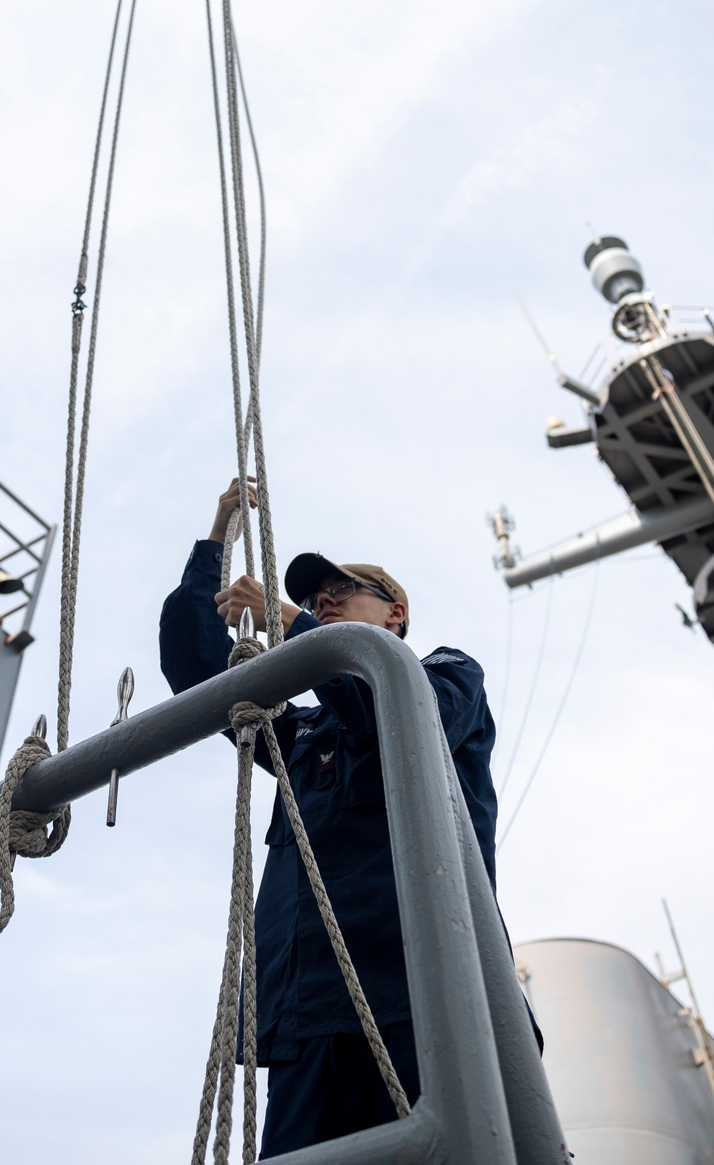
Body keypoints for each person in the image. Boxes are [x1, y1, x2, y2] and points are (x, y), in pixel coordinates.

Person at [159, 476, 501, 1159]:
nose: (325, 601)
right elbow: (197, 671)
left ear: (396, 614)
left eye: (343, 592)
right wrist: (218, 533)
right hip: (309, 1015)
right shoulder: (305, 734)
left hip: (424, 1005)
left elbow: (390, 711)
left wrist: (293, 624)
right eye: (316, 599)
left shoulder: (448, 676)